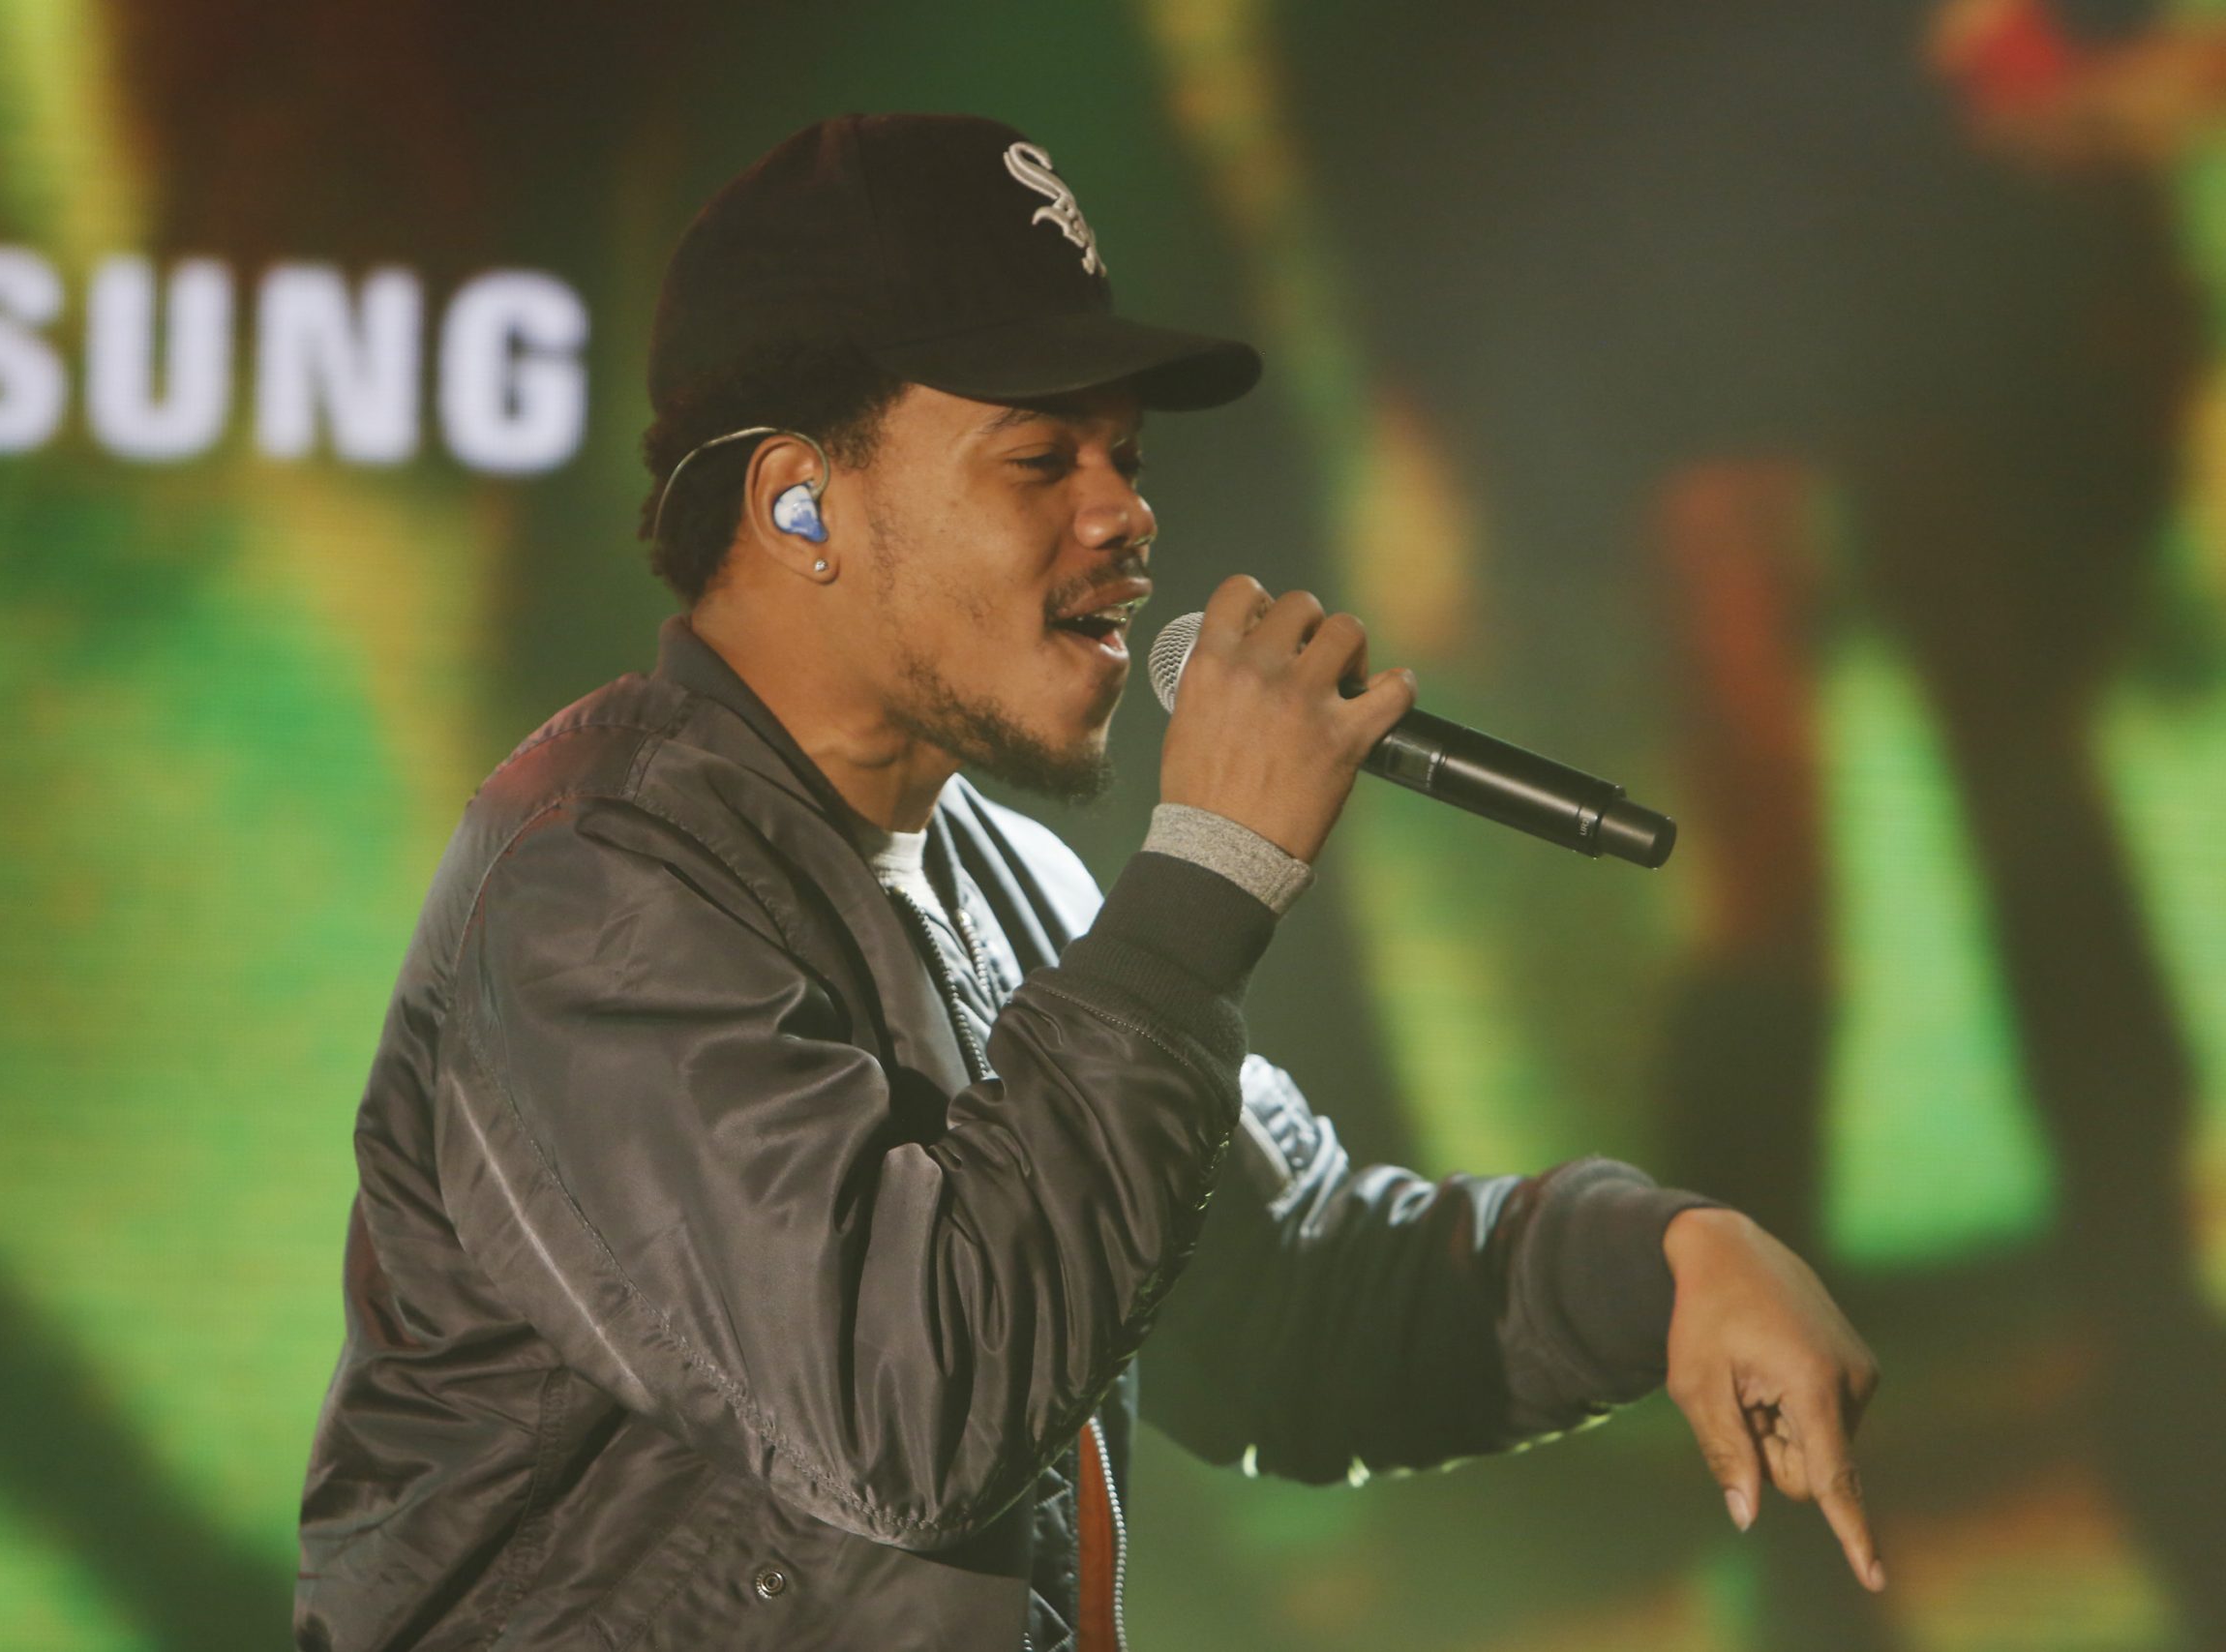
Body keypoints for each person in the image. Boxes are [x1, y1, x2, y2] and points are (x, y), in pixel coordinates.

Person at [294, 113, 1881, 1651]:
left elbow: (1287, 1316)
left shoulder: (1016, 882)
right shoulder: (595, 889)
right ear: (797, 503)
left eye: (1124, 455)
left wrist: (1660, 1263)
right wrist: (1206, 885)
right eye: (1039, 458)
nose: (1125, 514)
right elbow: (901, 1415)